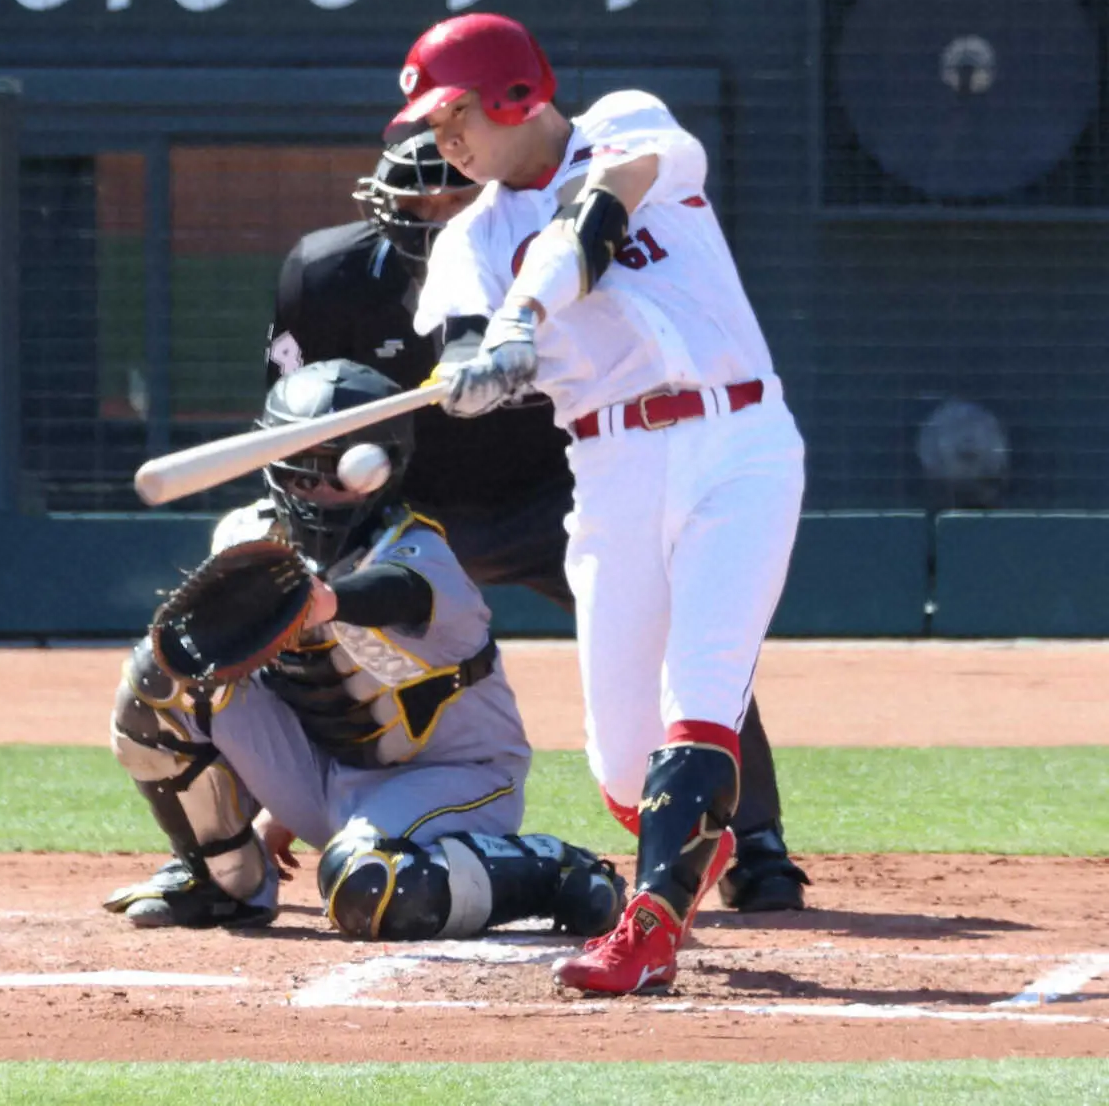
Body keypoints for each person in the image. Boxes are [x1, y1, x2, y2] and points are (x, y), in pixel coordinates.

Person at [267, 131, 810, 917]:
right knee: (299, 609)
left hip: (559, 494)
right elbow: (293, 435)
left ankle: (752, 842)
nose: (437, 212)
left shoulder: (560, 248)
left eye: (454, 195)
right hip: (411, 510)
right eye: (416, 201)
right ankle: (256, 825)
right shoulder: (327, 276)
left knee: (690, 646)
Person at [384, 12, 807, 994]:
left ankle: (647, 924)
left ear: (516, 95)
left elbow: (594, 216)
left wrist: (524, 319)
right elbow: (456, 342)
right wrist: (471, 370)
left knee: (700, 692)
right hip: (611, 471)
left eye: (456, 115)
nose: (443, 140)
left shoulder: (628, 125)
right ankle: (676, 845)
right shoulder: (468, 244)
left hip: (736, 441)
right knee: (624, 763)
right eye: (432, 125)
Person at [103, 359, 625, 943]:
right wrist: (274, 805)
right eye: (307, 476)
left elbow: (395, 593)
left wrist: (322, 602)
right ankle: (224, 882)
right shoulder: (245, 540)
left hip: (458, 779)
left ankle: (556, 869)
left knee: (369, 890)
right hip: (326, 779)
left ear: (386, 472)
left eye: (345, 477)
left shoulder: (420, 552)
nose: (325, 494)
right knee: (158, 682)